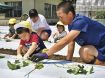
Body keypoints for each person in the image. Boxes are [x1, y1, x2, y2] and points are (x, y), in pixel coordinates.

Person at [30, 1, 105, 65]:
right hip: (97, 48)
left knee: (84, 51)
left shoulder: (80, 21)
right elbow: (71, 41)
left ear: (69, 14)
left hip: (103, 47)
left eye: (61, 17)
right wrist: (68, 60)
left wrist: (46, 54)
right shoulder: (71, 24)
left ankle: (102, 64)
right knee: (83, 52)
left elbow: (65, 41)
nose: (59, 19)